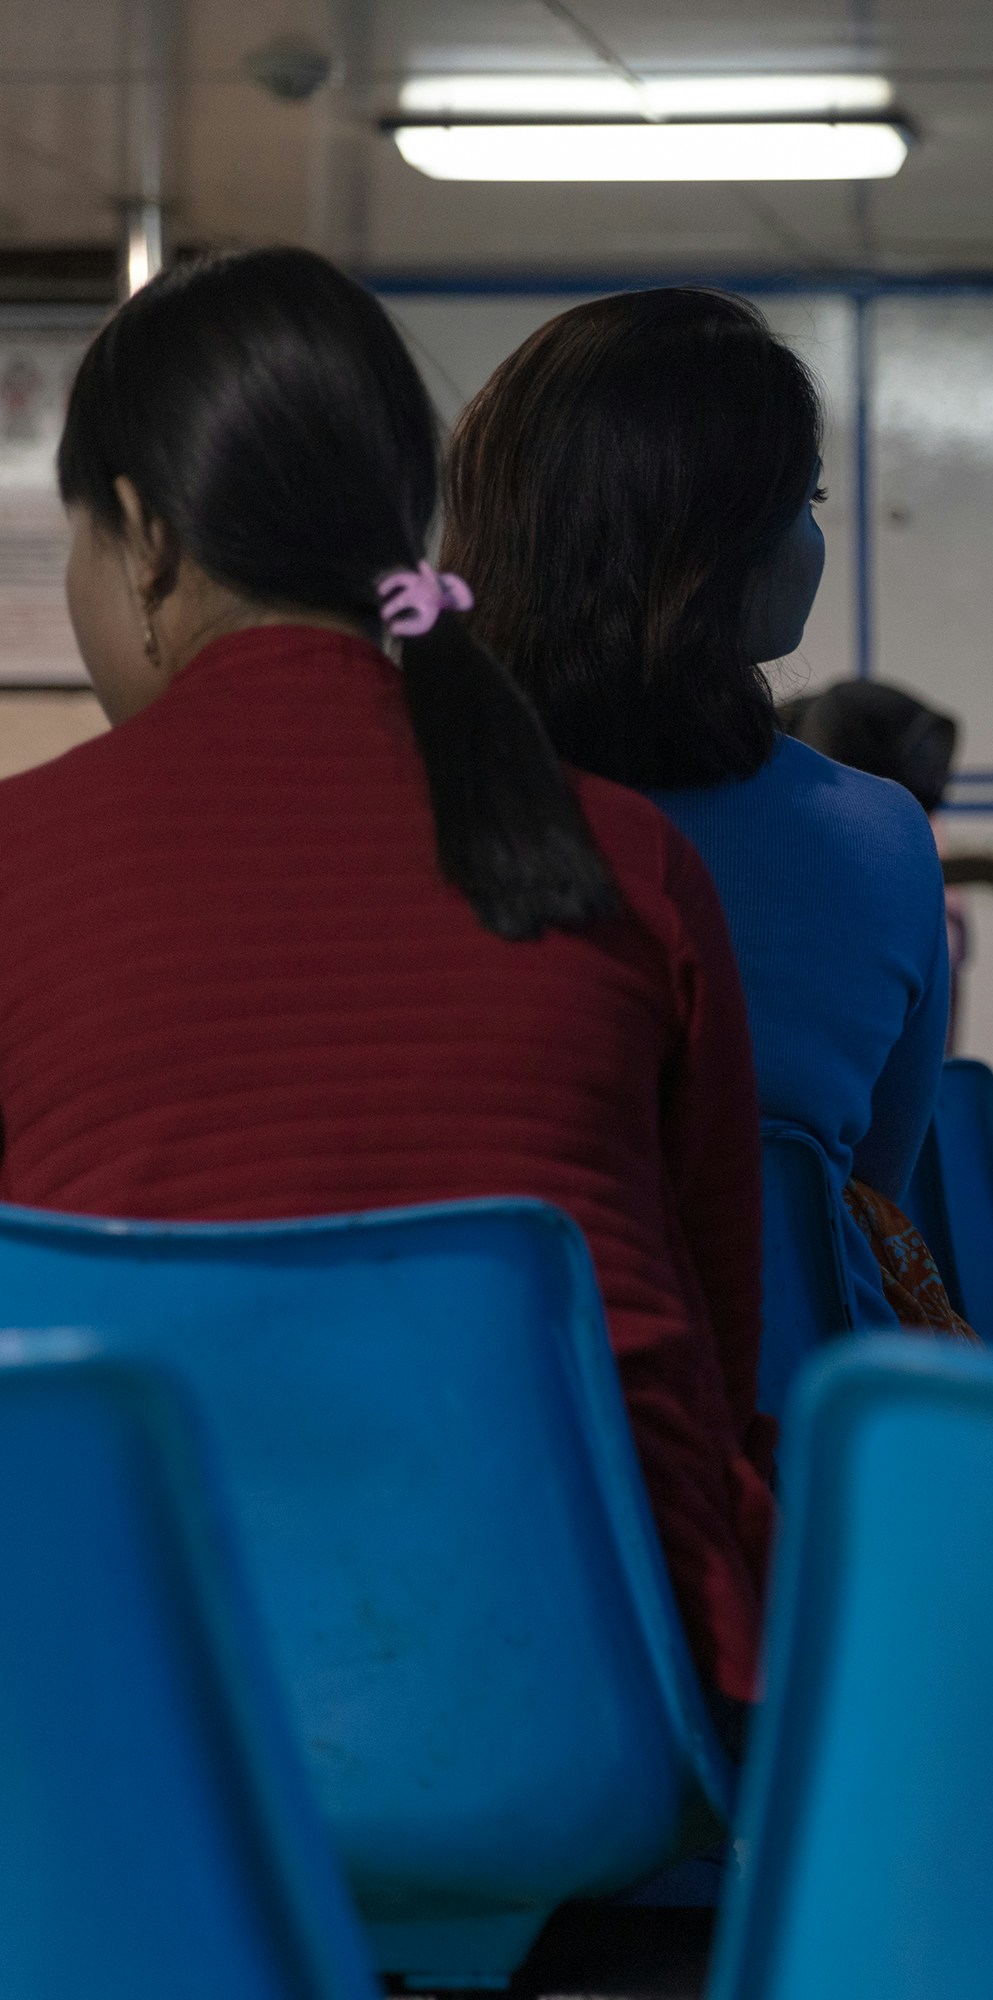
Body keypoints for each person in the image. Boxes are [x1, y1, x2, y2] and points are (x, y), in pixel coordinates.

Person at [24, 248, 771, 1721]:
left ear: (140, 535)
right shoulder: (624, 859)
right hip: (599, 1712)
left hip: (134, 1737)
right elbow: (713, 1345)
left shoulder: (17, 863)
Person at [443, 290, 952, 1332]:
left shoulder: (392, 817)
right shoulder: (878, 839)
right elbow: (864, 1193)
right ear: (718, 545)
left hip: (483, 1430)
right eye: (803, 501)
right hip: (799, 1443)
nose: (815, 538)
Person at [782, 676, 993, 1054]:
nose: (931, 776)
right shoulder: (782, 832)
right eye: (917, 755)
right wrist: (985, 869)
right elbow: (841, 868)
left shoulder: (909, 827)